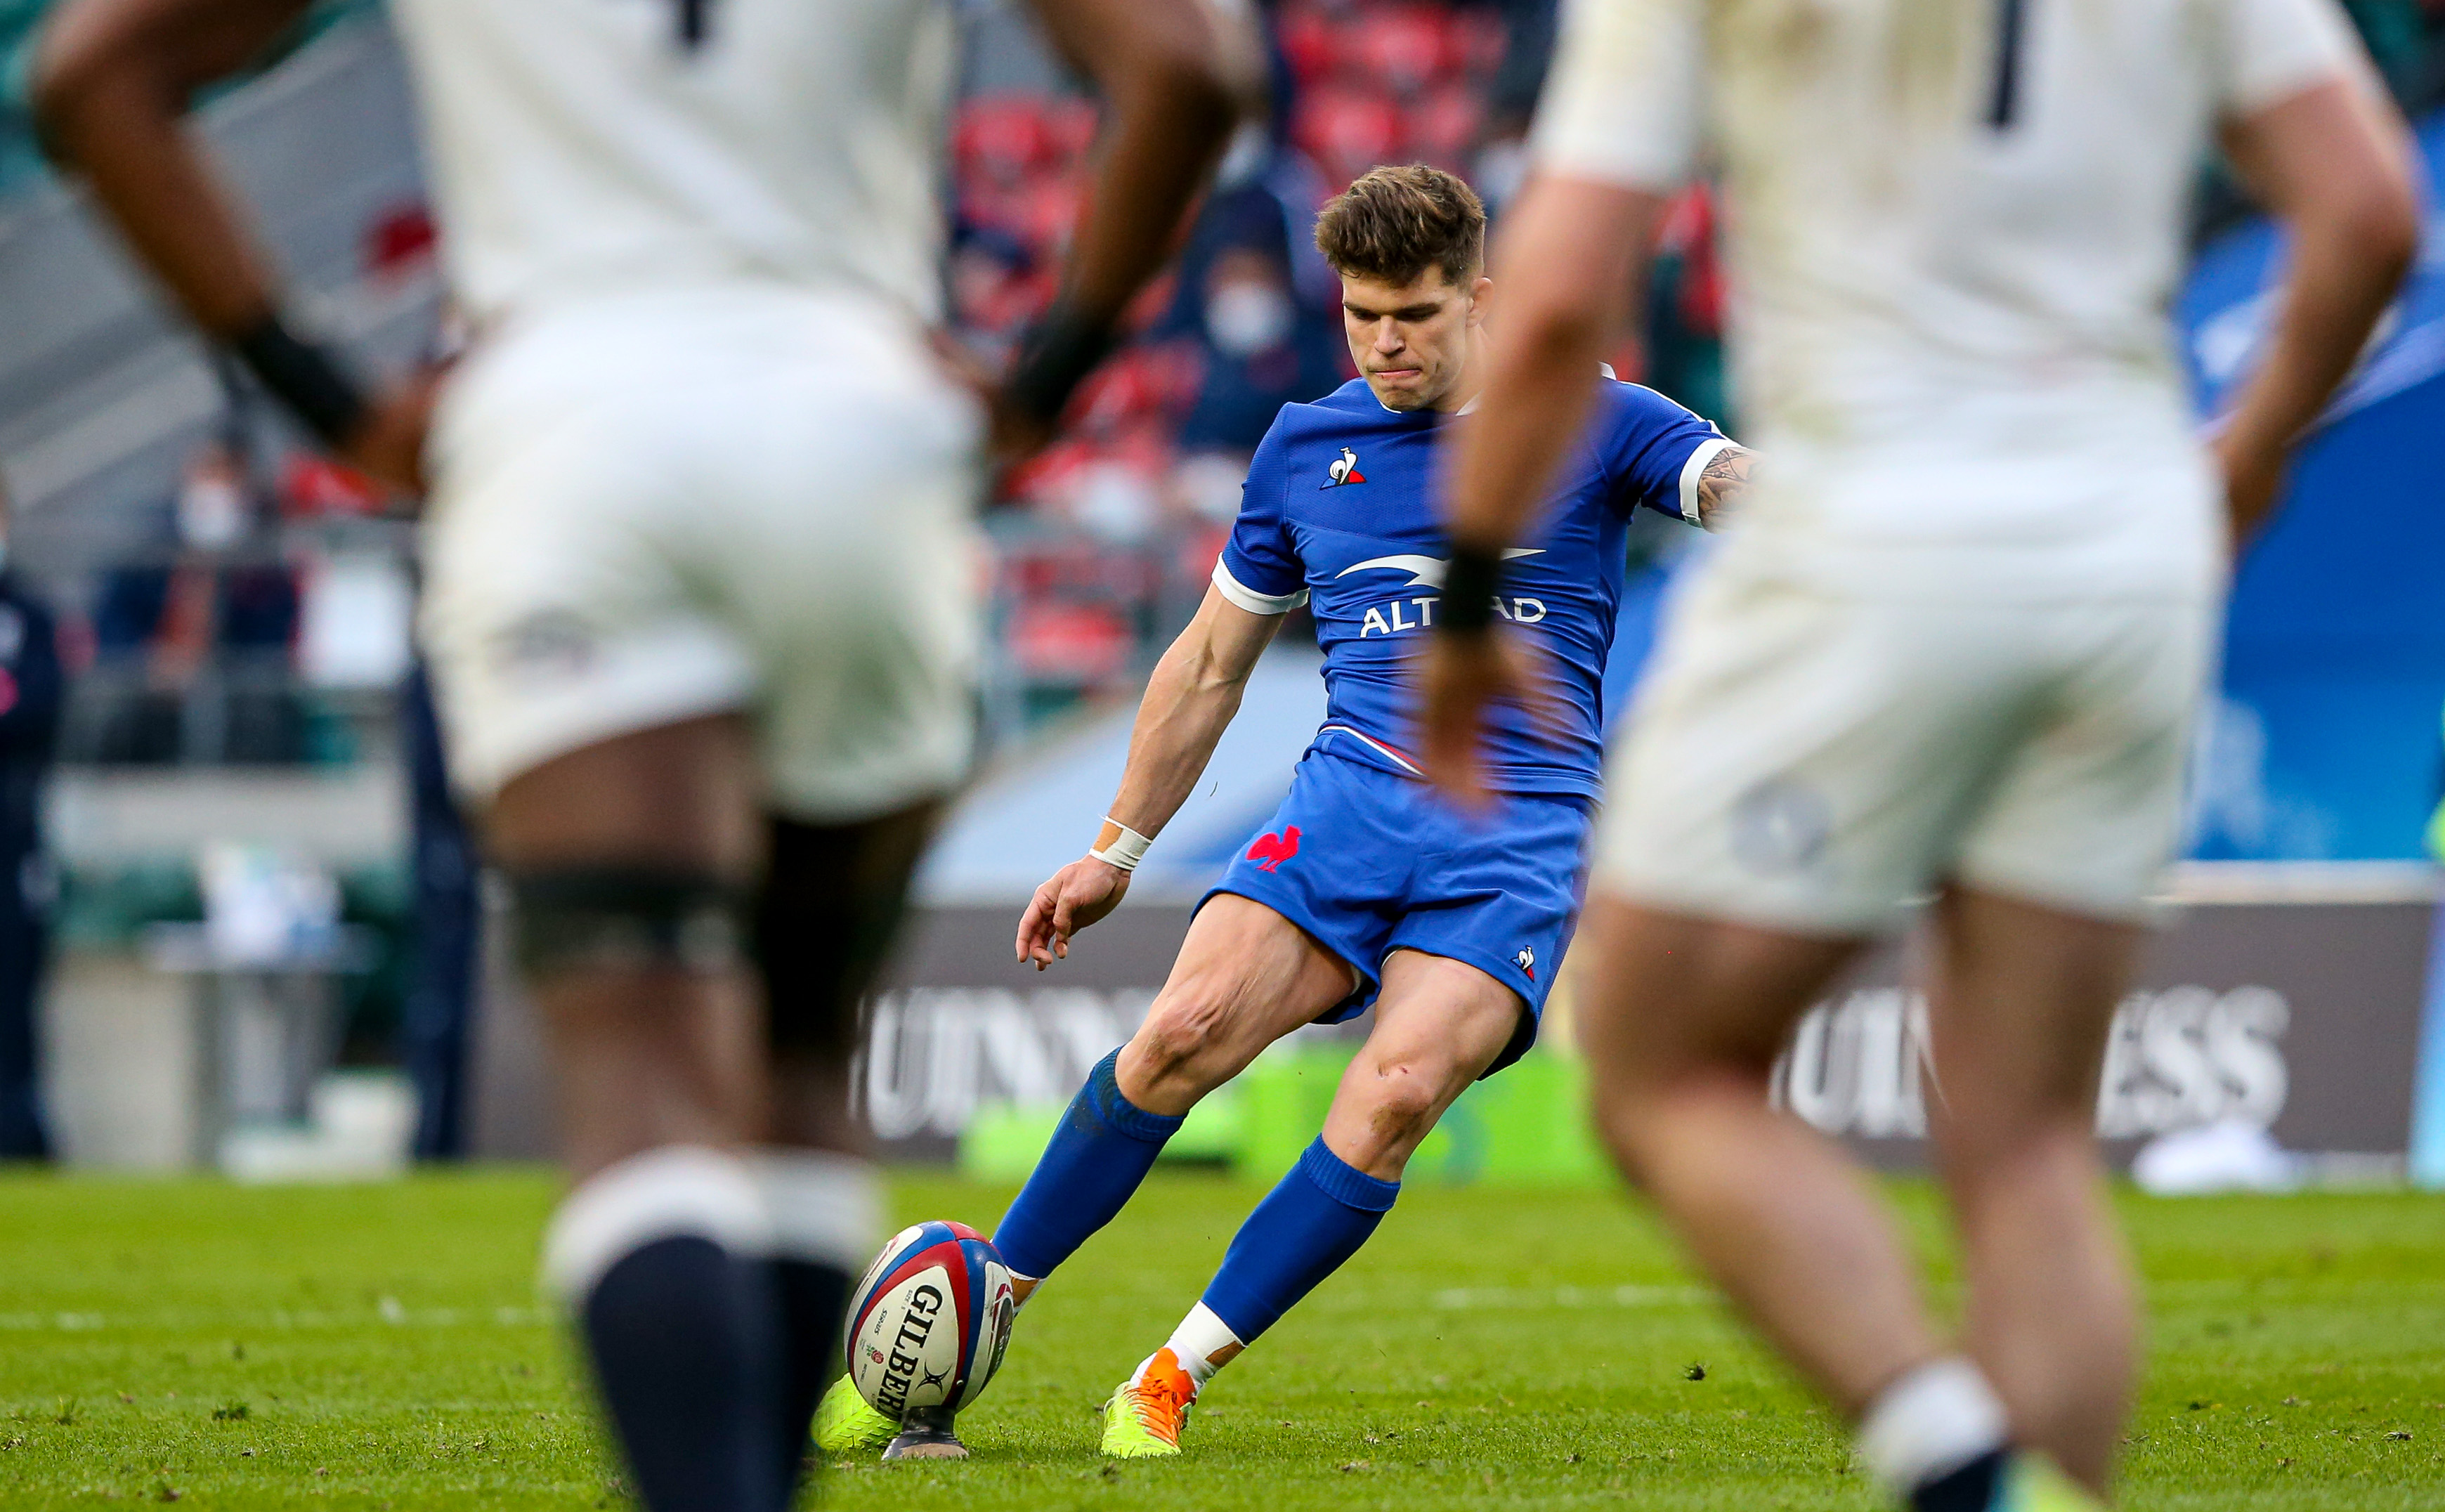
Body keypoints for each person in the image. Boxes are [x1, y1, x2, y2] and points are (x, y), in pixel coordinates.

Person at [34, 0, 1234, 1504]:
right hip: (851, 435)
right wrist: (1038, 386)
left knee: (642, 1066)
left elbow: (90, 73)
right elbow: (1188, 69)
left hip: (564, 440)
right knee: (799, 1060)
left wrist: (334, 402)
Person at [1420, 2, 2418, 1509]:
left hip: (1875, 537)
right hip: (2126, 548)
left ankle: (1963, 1465)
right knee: (2023, 1141)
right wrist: (2251, 450)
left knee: (1651, 1059)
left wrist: (1472, 580)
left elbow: (1556, 299)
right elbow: (2368, 211)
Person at [819, 162, 1754, 1460]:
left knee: (1394, 1095)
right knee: (1180, 1034)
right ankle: (971, 1321)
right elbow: (1209, 662)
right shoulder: (1306, 446)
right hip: (1348, 806)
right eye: (1364, 313)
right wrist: (1113, 851)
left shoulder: (1591, 420)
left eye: (1415, 315)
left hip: (1515, 839)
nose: (1384, 342)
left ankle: (1168, 1375)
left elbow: (1719, 479)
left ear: (1480, 299)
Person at [0, 479, 65, 1161]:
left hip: (10, 831)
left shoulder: (28, 612)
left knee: (13, 1001)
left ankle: (17, 1139)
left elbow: (39, 705)